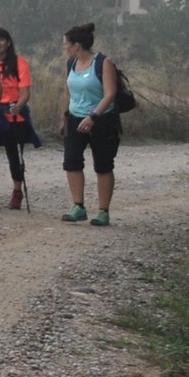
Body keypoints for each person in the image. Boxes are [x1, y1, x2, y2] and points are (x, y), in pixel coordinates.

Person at [58, 23, 122, 225]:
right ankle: (78, 206)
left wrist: (93, 116)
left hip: (102, 120)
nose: (64, 48)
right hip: (75, 119)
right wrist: (64, 118)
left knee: (103, 164)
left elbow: (110, 94)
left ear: (76, 45)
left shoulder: (103, 63)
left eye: (66, 44)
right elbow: (68, 92)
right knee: (71, 161)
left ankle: (103, 211)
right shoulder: (71, 63)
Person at [0, 26, 36, 213]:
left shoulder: (19, 63)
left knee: (14, 154)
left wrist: (19, 105)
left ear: (8, 43)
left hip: (13, 115)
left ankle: (17, 191)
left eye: (1, 39)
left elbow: (25, 92)